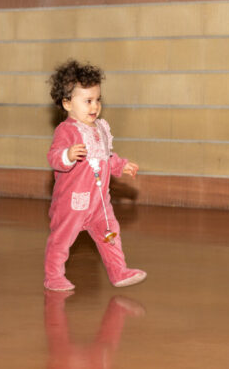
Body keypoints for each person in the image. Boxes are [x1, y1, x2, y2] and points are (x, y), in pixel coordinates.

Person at [44, 59, 146, 291]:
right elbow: (53, 157)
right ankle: (53, 276)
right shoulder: (67, 131)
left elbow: (105, 156)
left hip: (99, 202)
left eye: (97, 99)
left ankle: (118, 271)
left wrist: (120, 165)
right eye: (88, 101)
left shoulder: (100, 128)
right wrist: (68, 155)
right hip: (73, 203)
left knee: (111, 233)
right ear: (67, 103)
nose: (95, 106)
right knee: (62, 240)